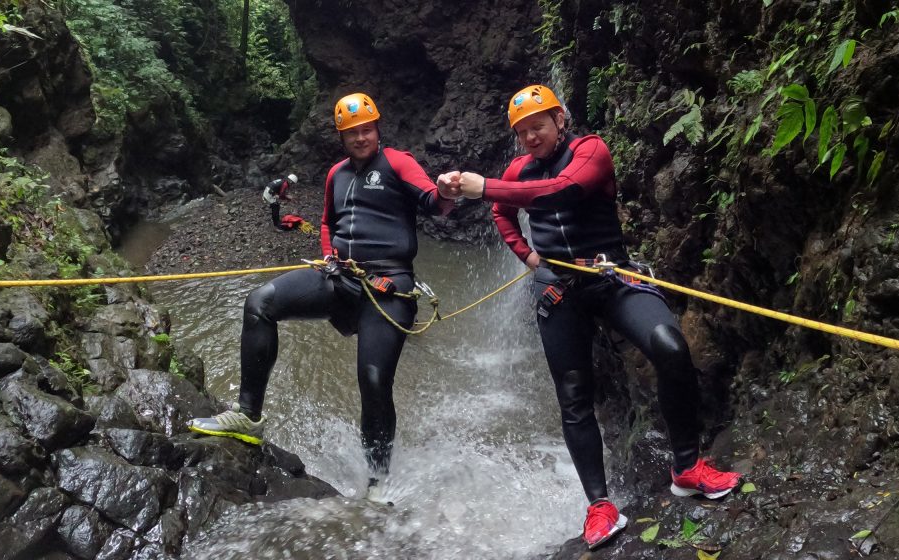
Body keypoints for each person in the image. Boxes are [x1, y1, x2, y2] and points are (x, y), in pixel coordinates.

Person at [438, 85, 741, 549]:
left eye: (537, 126)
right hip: (558, 288)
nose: (530, 138)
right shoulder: (519, 168)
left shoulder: (591, 150)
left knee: (670, 346)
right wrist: (529, 257)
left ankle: (686, 467)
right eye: (522, 132)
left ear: (560, 119)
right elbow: (503, 211)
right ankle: (599, 505)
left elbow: (562, 191)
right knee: (574, 396)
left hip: (610, 275)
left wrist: (486, 186)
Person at [189, 92, 457, 500]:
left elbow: (434, 205)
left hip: (388, 287)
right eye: (353, 133)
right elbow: (329, 222)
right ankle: (248, 415)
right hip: (340, 278)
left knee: (373, 381)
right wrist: (329, 255)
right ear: (342, 136)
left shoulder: (398, 163)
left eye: (367, 129)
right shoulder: (337, 174)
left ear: (377, 128)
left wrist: (446, 191)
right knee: (259, 303)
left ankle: (378, 478)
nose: (361, 138)